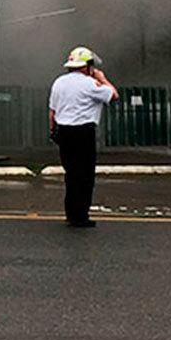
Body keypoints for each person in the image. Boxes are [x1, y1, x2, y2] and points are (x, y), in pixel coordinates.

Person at [49, 45, 117, 229]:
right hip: (83, 132)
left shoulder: (58, 83)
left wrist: (53, 131)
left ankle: (71, 213)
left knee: (71, 173)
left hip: (64, 131)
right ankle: (80, 216)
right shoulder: (90, 84)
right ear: (87, 66)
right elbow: (113, 95)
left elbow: (52, 111)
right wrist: (102, 78)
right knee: (85, 175)